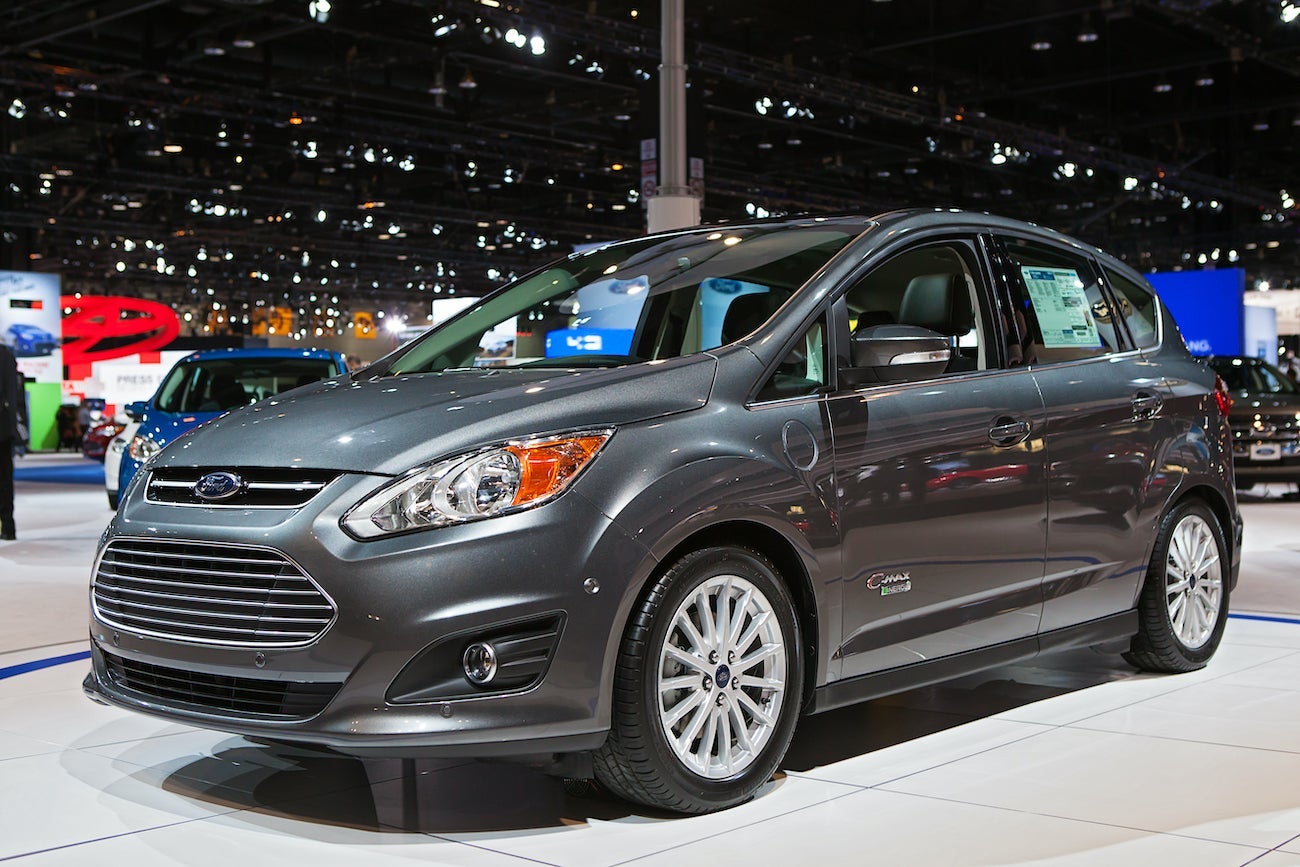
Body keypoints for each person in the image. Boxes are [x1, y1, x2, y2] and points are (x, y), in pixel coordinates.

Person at [0, 342, 28, 540]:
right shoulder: (7, 356)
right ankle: (8, 526)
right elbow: (14, 395)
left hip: (4, 427)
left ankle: (8, 526)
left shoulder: (5, 356)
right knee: (4, 480)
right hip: (4, 428)